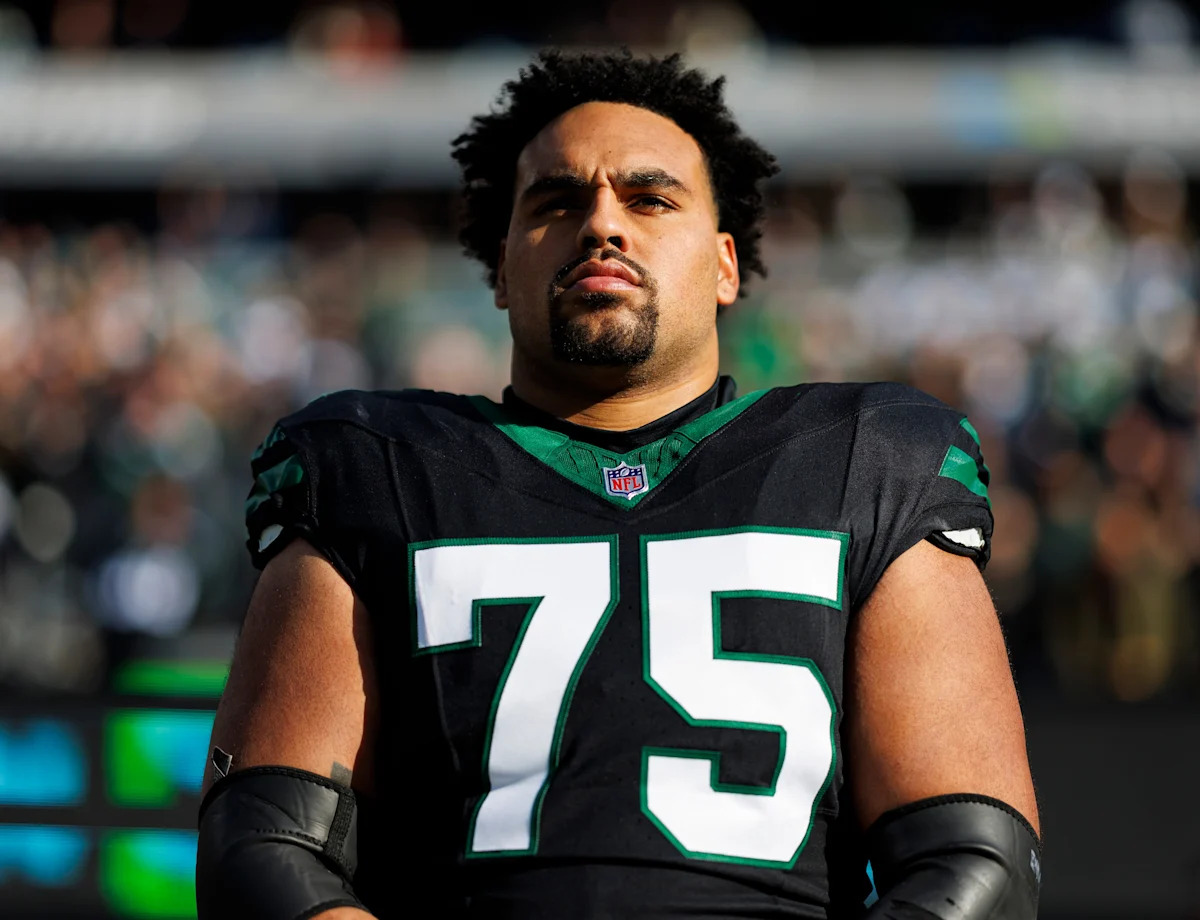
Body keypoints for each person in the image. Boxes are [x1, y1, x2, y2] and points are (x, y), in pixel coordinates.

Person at [196, 50, 1042, 919]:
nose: (602, 224)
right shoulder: (371, 464)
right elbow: (263, 851)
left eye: (650, 199)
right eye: (556, 202)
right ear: (501, 267)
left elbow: (975, 865)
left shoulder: (869, 459)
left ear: (725, 265)